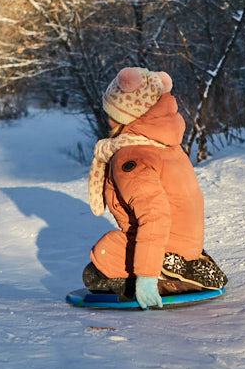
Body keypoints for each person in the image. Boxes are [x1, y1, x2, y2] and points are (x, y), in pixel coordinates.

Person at [82, 67, 228, 309]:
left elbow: (155, 216)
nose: (108, 119)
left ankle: (164, 277)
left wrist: (146, 277)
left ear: (124, 114)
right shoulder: (165, 145)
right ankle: (180, 268)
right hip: (187, 245)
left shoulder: (131, 156)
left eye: (111, 112)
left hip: (166, 246)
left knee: (97, 266)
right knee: (110, 252)